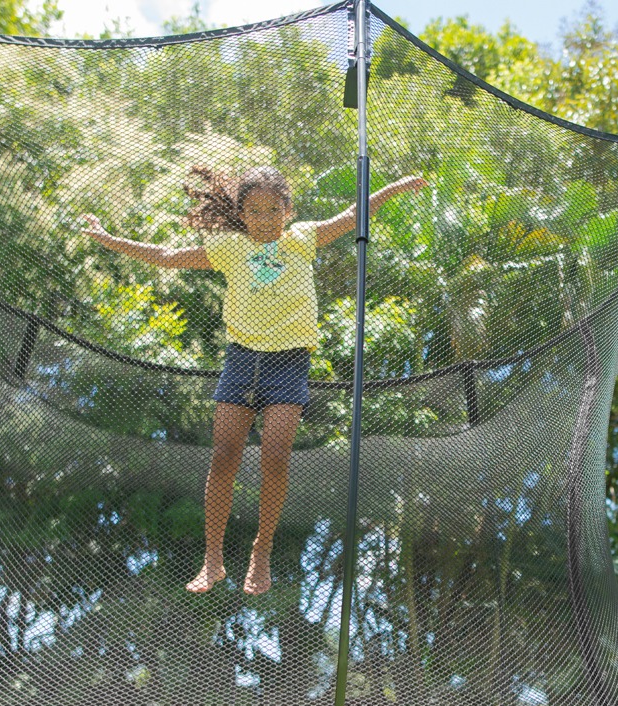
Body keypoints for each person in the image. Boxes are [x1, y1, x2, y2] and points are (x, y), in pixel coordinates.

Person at [81, 165, 426, 595]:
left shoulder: (302, 238)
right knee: (224, 455)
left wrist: (394, 187)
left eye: (272, 209)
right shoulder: (229, 248)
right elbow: (168, 256)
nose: (264, 218)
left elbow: (355, 215)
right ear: (241, 213)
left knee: (275, 457)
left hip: (288, 364)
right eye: (254, 210)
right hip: (242, 362)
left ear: (288, 209)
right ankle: (213, 558)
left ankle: (261, 550)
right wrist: (107, 239)